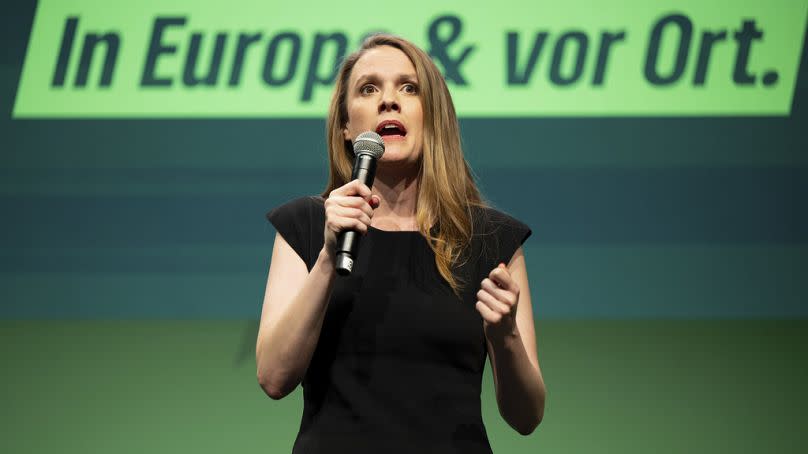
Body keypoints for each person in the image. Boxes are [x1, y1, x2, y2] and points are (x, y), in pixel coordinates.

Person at [256, 33, 545, 453]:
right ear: (344, 127)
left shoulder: (490, 239)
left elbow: (527, 417)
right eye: (368, 88)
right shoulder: (307, 224)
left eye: (409, 88)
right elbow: (273, 378)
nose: (389, 101)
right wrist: (327, 259)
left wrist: (505, 337)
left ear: (435, 117)